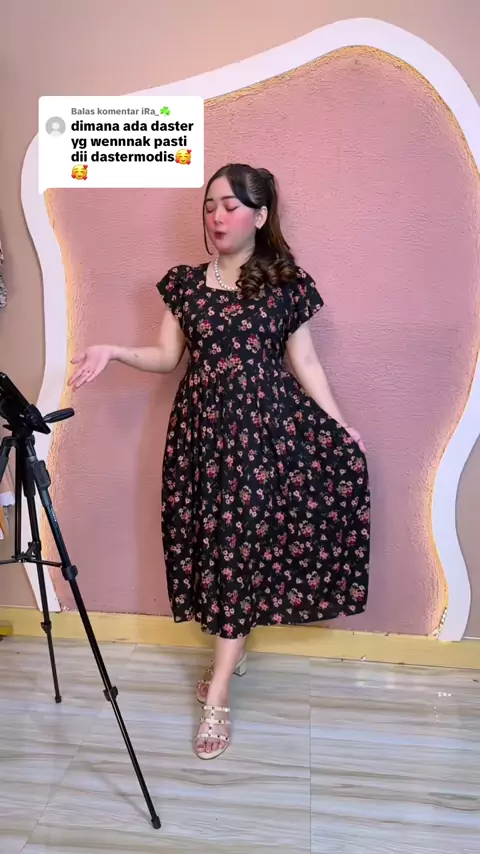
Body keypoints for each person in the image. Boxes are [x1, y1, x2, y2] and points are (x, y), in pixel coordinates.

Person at [68, 163, 370, 761]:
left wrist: (340, 426)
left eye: (230, 206)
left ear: (260, 216)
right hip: (201, 441)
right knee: (215, 551)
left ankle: (219, 695)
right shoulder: (184, 284)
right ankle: (235, 648)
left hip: (265, 439)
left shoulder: (286, 285)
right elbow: (166, 357)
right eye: (209, 205)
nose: (216, 216)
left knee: (238, 549)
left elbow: (305, 363)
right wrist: (114, 350)